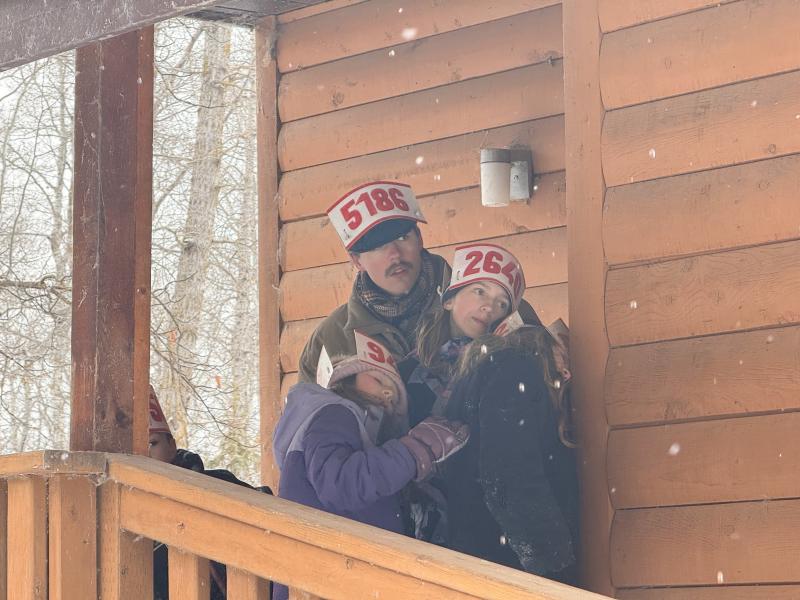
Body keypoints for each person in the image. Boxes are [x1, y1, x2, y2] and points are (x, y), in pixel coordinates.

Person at [404, 244, 580, 583]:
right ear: (449, 299)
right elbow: (510, 475)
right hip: (442, 543)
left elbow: (506, 470)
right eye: (480, 291)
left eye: (502, 303)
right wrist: (554, 566)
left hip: (471, 549)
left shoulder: (498, 366)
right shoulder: (409, 374)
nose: (489, 306)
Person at [273, 332, 470, 600]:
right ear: (346, 379)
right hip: (320, 582)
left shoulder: (364, 443)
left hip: (336, 580)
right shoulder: (334, 412)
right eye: (378, 379)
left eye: (396, 398)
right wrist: (415, 450)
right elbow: (339, 484)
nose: (388, 391)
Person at [297, 181, 447, 383]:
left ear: (419, 239)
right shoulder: (330, 339)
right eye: (377, 247)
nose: (395, 254)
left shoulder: (475, 306)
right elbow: (306, 403)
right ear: (357, 261)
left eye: (402, 237)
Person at [148, 385, 268, 599]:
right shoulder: (124, 517)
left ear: (172, 445)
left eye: (152, 443)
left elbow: (267, 512)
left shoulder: (218, 484)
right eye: (135, 446)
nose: (144, 452)